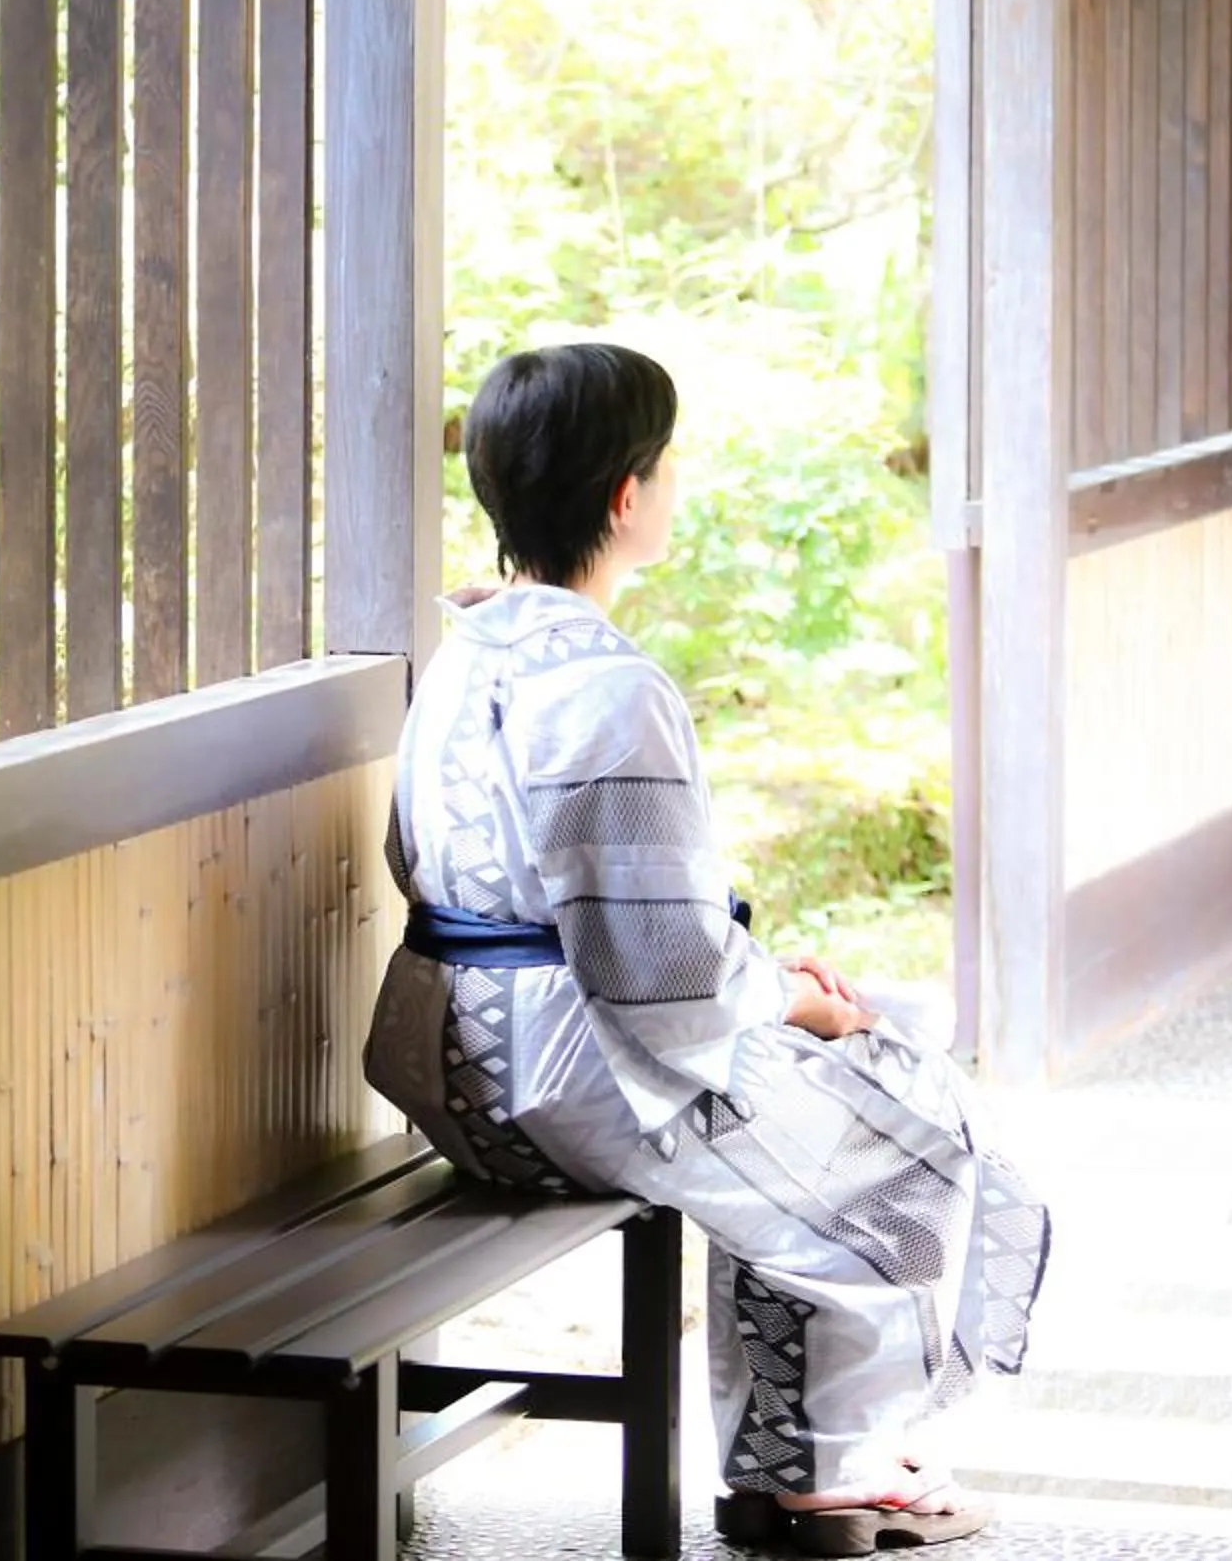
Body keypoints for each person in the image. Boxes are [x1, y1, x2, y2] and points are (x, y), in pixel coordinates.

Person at [364, 343, 1049, 1556]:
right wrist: (794, 999)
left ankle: (800, 1455)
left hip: (445, 1054)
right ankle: (819, 1470)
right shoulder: (608, 689)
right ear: (627, 493)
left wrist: (781, 995)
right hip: (560, 1081)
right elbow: (663, 978)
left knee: (836, 1069)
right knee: (905, 1116)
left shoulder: (465, 651)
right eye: (664, 461)